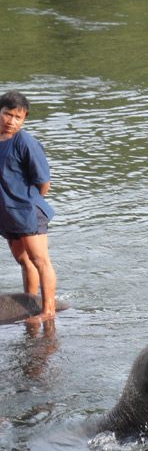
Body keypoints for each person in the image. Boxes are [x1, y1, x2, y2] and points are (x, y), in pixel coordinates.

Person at [0, 91, 57, 321]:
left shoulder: (25, 142)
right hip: (6, 213)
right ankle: (29, 301)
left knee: (40, 261)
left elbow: (44, 183)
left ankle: (48, 311)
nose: (11, 121)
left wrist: (27, 200)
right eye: (7, 114)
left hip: (27, 212)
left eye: (18, 117)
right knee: (24, 261)